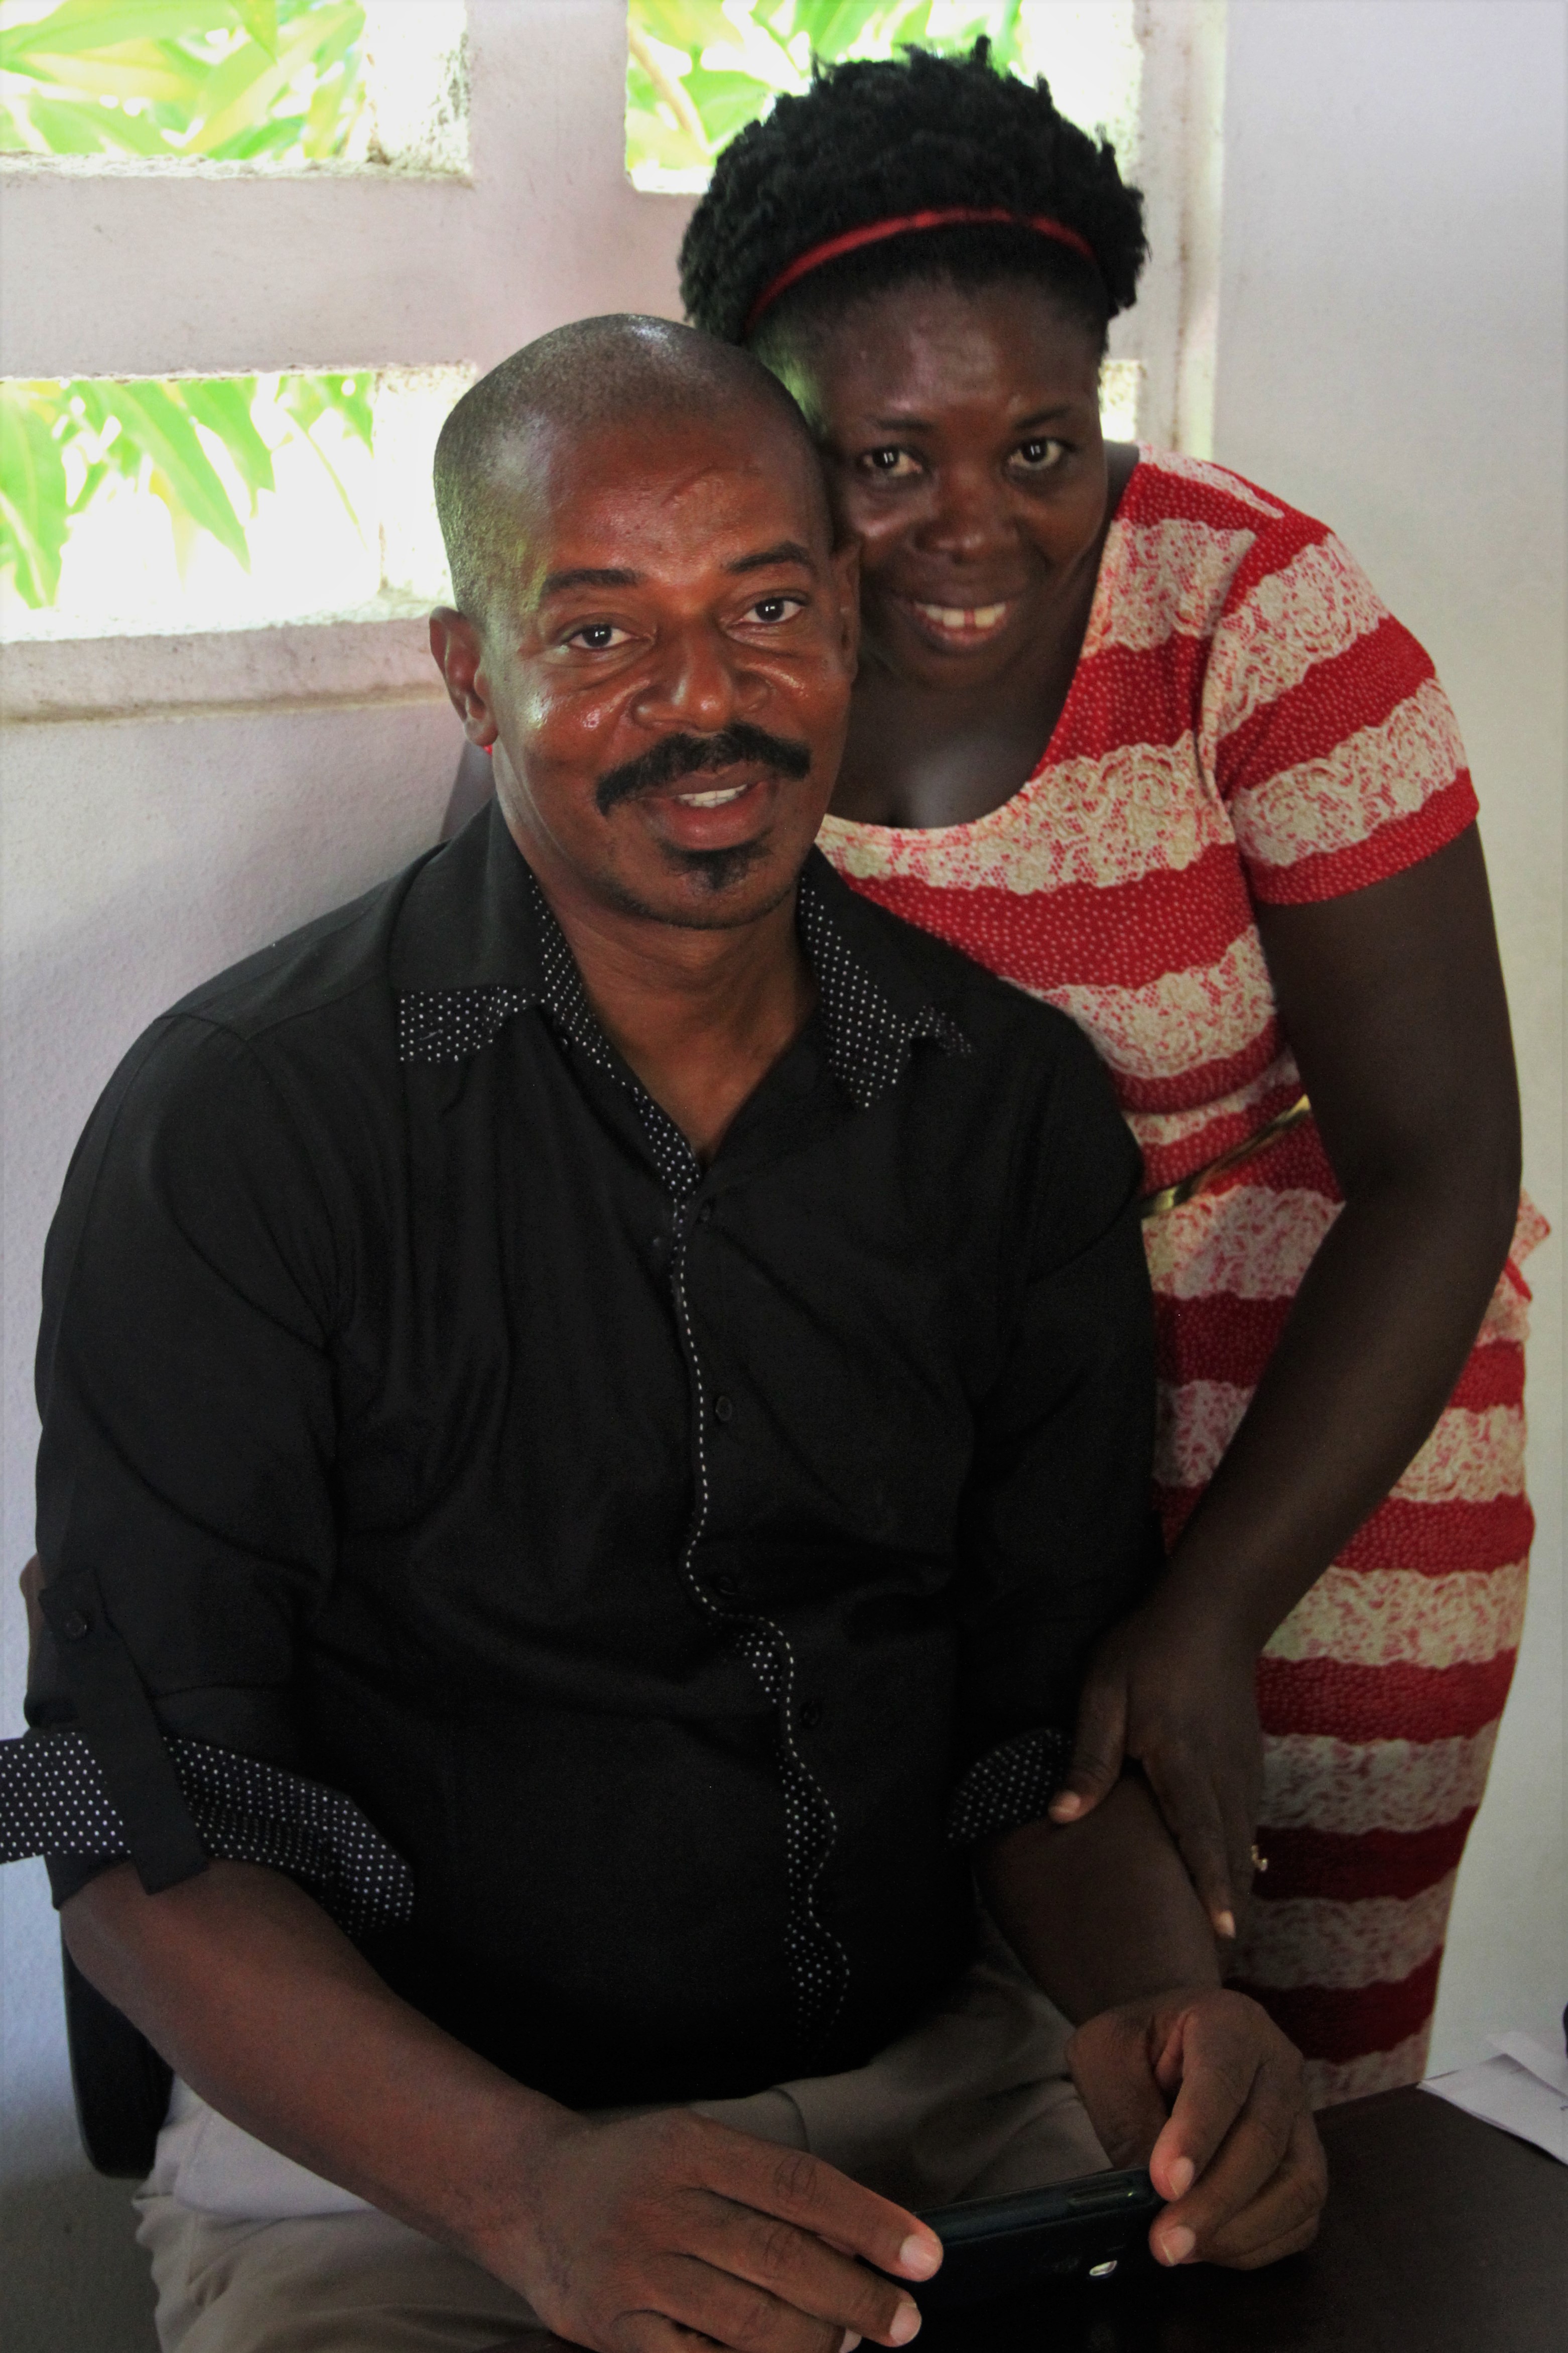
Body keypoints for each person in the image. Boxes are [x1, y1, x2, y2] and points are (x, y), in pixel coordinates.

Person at [7, 319, 1325, 2353]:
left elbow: (1031, 1729)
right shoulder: (247, 1129)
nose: (704, 701)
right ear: (473, 676)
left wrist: (1171, 2013)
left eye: (766, 608)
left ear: (849, 624)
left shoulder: (1003, 1108)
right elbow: (130, 1818)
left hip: (942, 2115)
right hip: (410, 2176)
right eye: (601, 631)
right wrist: (527, 2190)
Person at [677, 42, 1541, 2105]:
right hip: (916, 1486)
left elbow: (1440, 1161)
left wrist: (1208, 1609)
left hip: (1313, 1468)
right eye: (888, 459)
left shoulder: (1256, 619)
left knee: (1290, 2103)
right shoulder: (703, 643)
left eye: (1044, 444)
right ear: (773, 429)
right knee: (969, 2097)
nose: (976, 528)